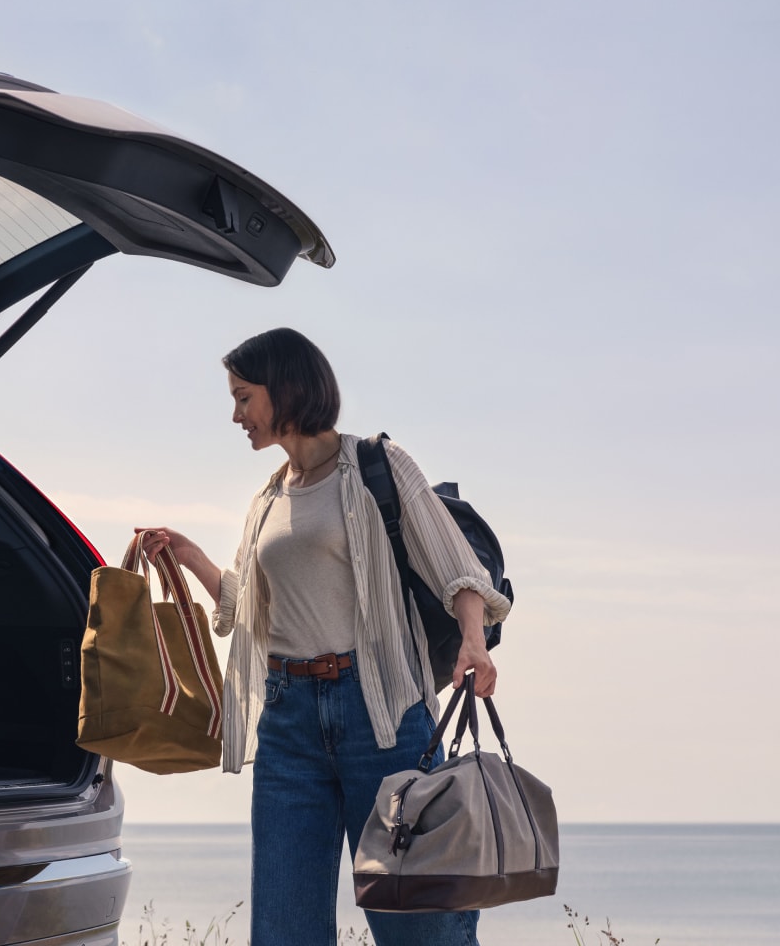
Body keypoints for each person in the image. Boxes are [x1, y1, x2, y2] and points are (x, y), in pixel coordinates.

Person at [139, 327, 511, 946]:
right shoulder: (267, 498)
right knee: (285, 928)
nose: (235, 415)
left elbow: (458, 569)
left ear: (284, 389)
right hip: (289, 723)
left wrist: (473, 640)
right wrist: (191, 556)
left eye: (243, 397)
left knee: (420, 927)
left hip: (383, 715)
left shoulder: (379, 466)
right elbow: (253, 611)